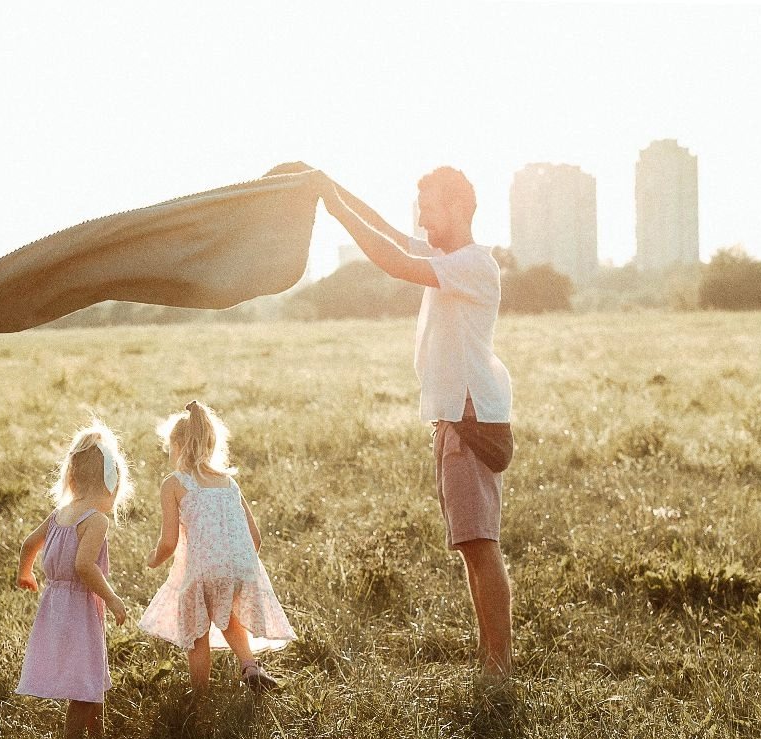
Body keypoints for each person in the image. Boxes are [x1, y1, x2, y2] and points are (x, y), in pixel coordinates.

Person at [318, 165, 515, 679]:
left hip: (470, 419)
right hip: (453, 419)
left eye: (430, 209)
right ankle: (489, 660)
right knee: (471, 546)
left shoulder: (473, 264)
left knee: (480, 545)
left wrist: (335, 210)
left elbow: (393, 261)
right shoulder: (447, 259)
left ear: (461, 207)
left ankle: (498, 668)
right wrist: (332, 190)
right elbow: (388, 232)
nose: (422, 219)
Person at [138, 401, 295, 695]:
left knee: (197, 631)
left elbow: (169, 542)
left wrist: (153, 559)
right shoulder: (228, 482)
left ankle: (200, 700)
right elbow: (256, 537)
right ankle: (250, 666)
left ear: (179, 446)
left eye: (169, 447)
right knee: (226, 611)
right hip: (240, 566)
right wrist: (232, 564)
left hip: (203, 570)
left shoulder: (174, 483)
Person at [14, 422, 132, 739]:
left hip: (55, 605)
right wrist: (112, 597)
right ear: (111, 486)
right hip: (80, 608)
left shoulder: (60, 515)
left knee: (90, 672)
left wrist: (25, 573)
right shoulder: (96, 520)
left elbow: (28, 544)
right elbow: (84, 565)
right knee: (84, 682)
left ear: (72, 478)